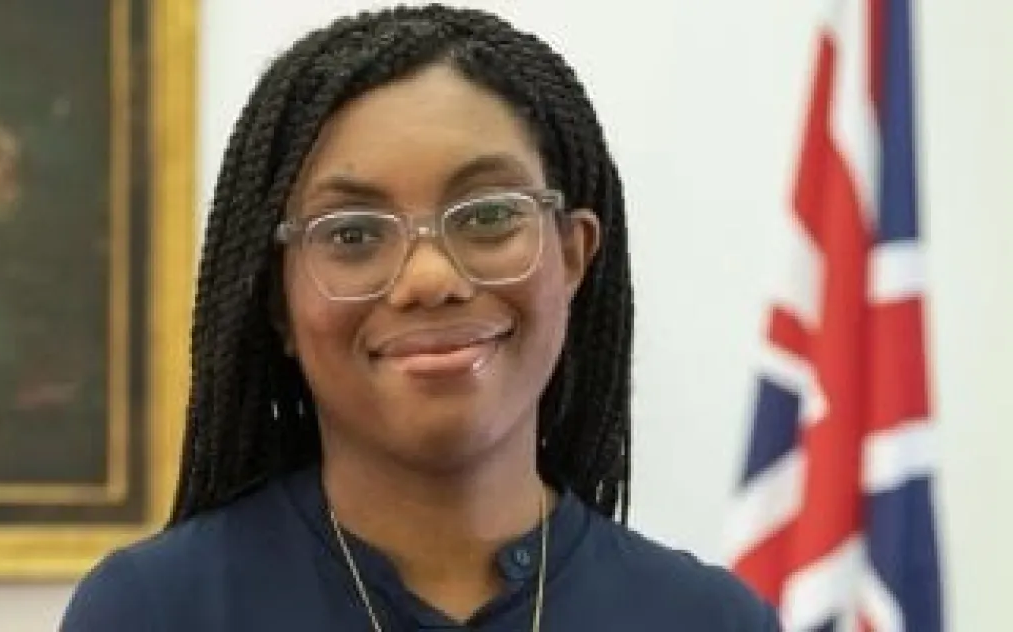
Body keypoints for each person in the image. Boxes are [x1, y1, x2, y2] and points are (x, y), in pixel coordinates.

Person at [60, 4, 781, 630]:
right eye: (352, 233)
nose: (430, 278)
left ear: (571, 255)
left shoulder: (707, 619)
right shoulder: (156, 612)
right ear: (279, 300)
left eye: (488, 216)